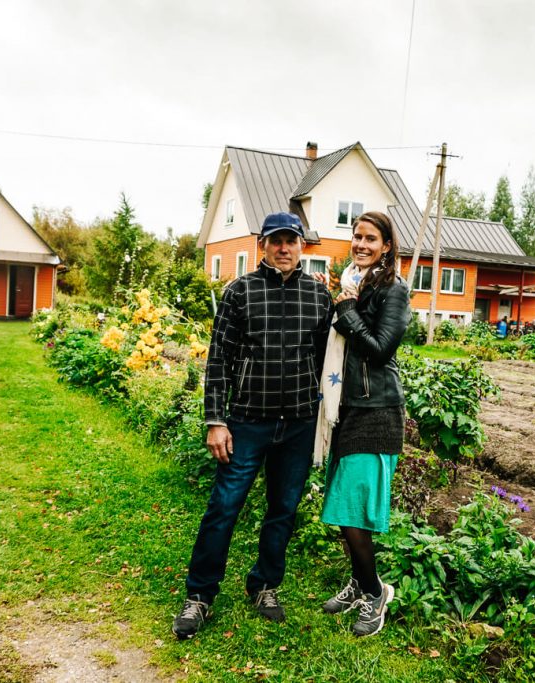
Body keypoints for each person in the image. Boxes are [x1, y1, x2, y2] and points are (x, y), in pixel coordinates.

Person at [172, 211, 333, 640]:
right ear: (263, 243)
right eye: (276, 240)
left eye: (292, 241)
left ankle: (264, 585)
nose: (284, 248)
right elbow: (218, 359)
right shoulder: (239, 292)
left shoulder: (319, 297)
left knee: (282, 510)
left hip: (297, 424)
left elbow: (322, 361)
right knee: (224, 507)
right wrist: (215, 421)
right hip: (246, 422)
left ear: (302, 246)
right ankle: (200, 596)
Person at [314, 211, 410, 637]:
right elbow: (336, 342)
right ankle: (358, 581)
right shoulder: (352, 282)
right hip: (348, 407)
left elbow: (378, 350)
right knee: (342, 508)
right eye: (357, 237)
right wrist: (329, 303)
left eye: (371, 238)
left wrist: (347, 307)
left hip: (377, 410)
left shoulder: (392, 290)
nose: (362, 244)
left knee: (354, 512)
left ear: (386, 245)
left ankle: (375, 593)